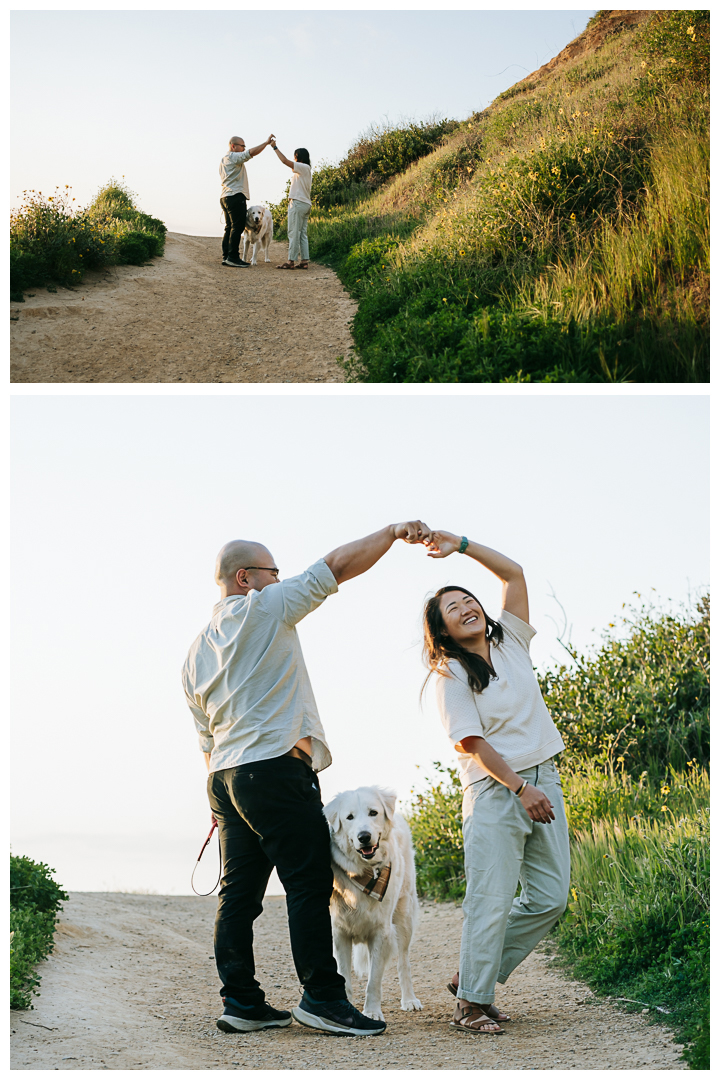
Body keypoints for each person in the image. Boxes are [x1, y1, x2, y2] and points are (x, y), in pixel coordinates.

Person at [182, 521, 431, 1038]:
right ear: (246, 577)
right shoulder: (265, 607)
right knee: (308, 882)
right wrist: (390, 533)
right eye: (273, 571)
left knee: (239, 894)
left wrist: (219, 802)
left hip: (227, 779)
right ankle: (322, 997)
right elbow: (335, 567)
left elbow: (206, 738)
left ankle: (242, 1002)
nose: (280, 579)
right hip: (274, 767)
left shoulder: (194, 652)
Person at [420, 530, 570, 1035]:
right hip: (495, 791)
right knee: (492, 897)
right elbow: (472, 743)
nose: (465, 608)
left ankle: (473, 980)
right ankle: (471, 1005)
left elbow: (514, 574)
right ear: (441, 630)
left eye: (468, 600)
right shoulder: (449, 674)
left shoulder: (512, 642)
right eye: (452, 609)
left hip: (543, 776)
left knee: (551, 896)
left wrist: (460, 544)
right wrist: (518, 789)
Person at [220, 135, 274, 267]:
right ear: (233, 146)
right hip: (236, 196)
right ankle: (233, 257)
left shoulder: (223, 160)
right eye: (242, 146)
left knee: (229, 227)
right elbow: (250, 153)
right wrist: (266, 143)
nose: (244, 148)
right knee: (237, 227)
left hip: (225, 197)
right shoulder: (234, 157)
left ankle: (226, 255)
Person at [270, 141, 312, 269]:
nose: (294, 159)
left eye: (295, 156)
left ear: (298, 157)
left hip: (298, 203)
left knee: (293, 232)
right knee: (302, 233)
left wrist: (275, 147)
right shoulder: (306, 169)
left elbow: (284, 161)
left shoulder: (302, 167)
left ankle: (291, 261)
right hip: (306, 204)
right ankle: (304, 261)